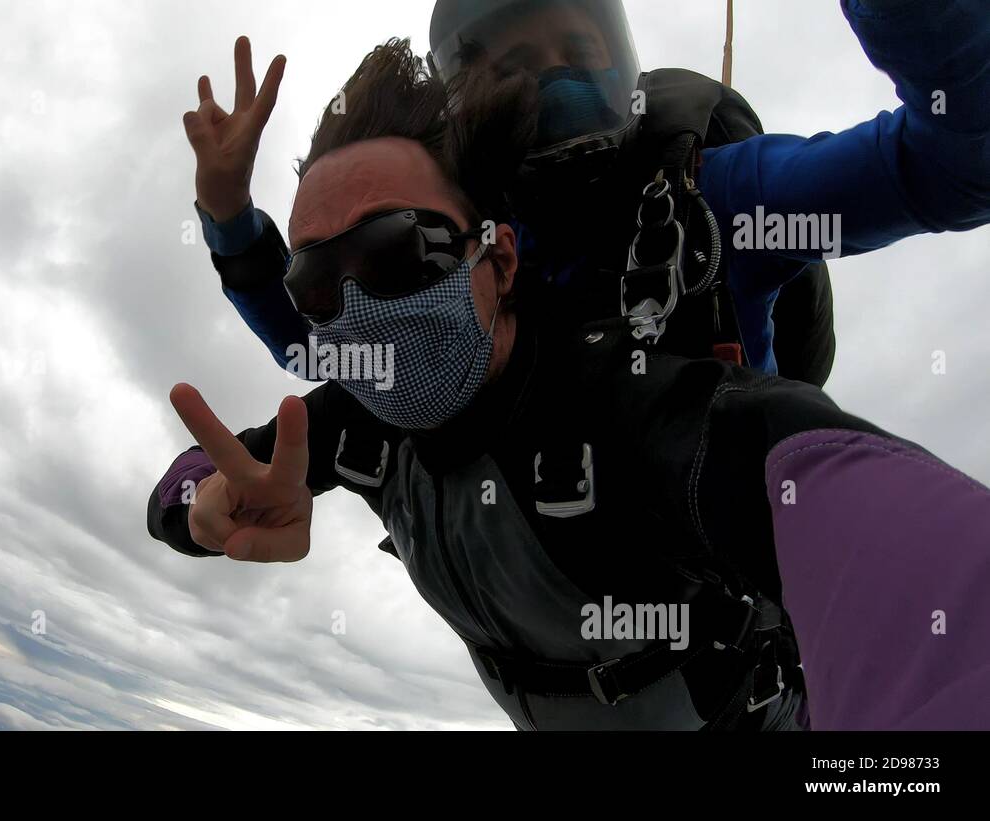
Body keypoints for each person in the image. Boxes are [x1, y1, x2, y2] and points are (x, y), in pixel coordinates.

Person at [151, 39, 990, 730]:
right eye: (316, 285)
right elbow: (186, 480)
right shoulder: (355, 420)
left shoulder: (622, 406)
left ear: (500, 258)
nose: (360, 311)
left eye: (398, 252)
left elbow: (836, 498)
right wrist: (203, 506)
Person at [184, 0, 989, 388]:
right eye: (514, 62)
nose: (555, 74)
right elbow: (325, 341)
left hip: (736, 641)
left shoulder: (716, 203)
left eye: (578, 48)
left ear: (623, 63)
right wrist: (228, 215)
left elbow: (956, 161)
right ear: (464, 96)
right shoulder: (462, 241)